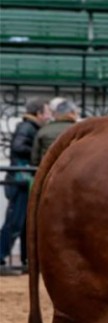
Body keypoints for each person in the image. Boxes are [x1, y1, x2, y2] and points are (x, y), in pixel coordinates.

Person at [0, 98, 50, 275]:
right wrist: (38, 152)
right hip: (20, 180)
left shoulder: (29, 126)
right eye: (46, 112)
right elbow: (18, 147)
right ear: (38, 113)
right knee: (14, 223)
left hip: (20, 180)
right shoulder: (28, 127)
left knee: (22, 224)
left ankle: (23, 260)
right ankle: (1, 258)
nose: (48, 116)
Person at [31, 99, 78, 167]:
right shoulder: (78, 130)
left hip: (48, 171)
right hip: (71, 171)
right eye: (77, 113)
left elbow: (35, 159)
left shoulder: (43, 130)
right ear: (72, 113)